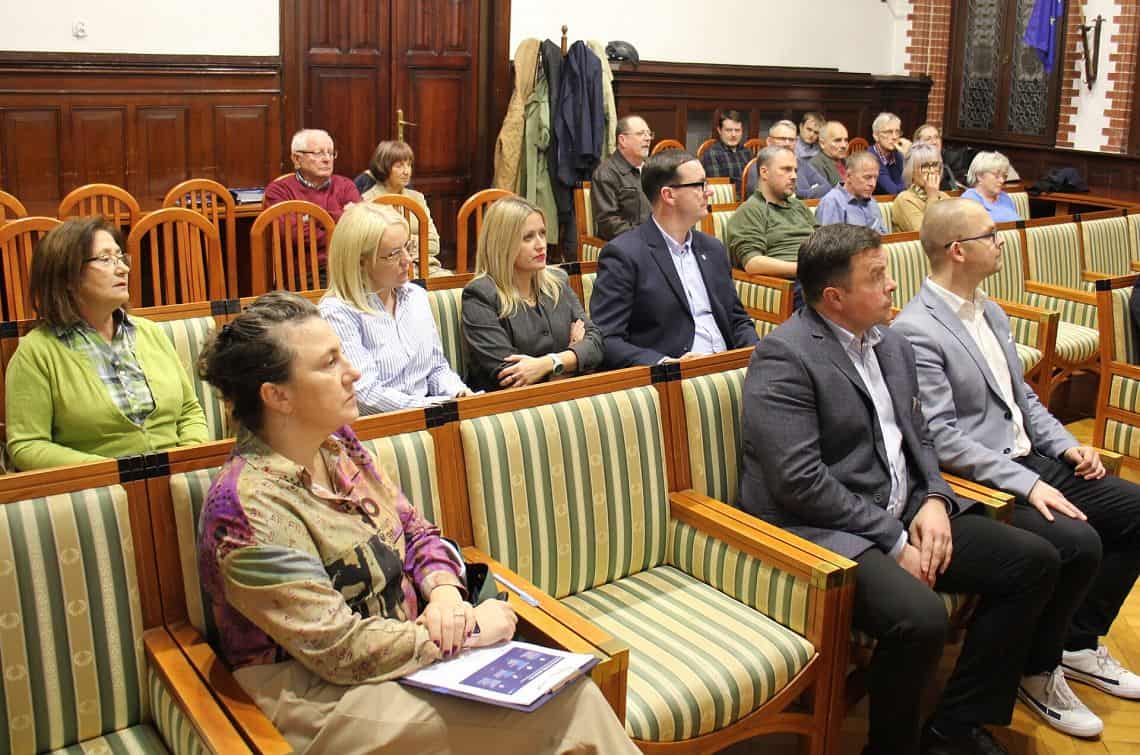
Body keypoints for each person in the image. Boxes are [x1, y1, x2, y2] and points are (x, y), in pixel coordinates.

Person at [195, 291, 638, 754]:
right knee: (570, 706)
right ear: (277, 396)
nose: (353, 372)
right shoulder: (245, 508)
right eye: (329, 363)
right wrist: (467, 633)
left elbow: (416, 531)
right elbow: (337, 648)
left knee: (565, 689)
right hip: (316, 694)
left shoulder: (337, 445)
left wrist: (446, 594)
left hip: (411, 651)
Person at [737, 222, 1061, 755]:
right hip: (825, 530)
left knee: (1034, 561)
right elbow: (799, 481)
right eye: (877, 276)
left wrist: (933, 497)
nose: (892, 285)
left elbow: (921, 437)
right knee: (921, 618)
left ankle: (955, 727)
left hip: (903, 507)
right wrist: (893, 538)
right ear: (835, 297)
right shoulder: (785, 357)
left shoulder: (890, 343)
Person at [893, 198, 1140, 737]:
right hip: (986, 480)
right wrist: (1029, 484)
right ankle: (1036, 670)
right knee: (1077, 542)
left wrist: (1067, 447)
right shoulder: (918, 329)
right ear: (958, 251)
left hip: (1033, 459)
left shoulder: (990, 310)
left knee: (1134, 511)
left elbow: (1023, 399)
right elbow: (944, 438)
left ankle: (1076, 642)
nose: (1001, 241)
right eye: (990, 235)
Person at [5, 218, 208, 471]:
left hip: (179, 479)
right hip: (99, 488)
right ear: (67, 277)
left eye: (121, 257)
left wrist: (186, 462)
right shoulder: (36, 352)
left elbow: (189, 411)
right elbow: (28, 446)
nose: (122, 269)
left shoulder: (150, 332)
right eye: (105, 259)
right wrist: (112, 473)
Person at [591, 150, 759, 368]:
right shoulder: (624, 255)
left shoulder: (713, 248)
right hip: (674, 373)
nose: (709, 192)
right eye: (700, 185)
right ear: (669, 195)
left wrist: (756, 355)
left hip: (728, 369)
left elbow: (738, 320)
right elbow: (607, 339)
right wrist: (667, 365)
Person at [319, 203, 470, 414]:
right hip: (383, 426)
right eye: (394, 254)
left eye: (408, 247)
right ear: (360, 262)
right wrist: (437, 406)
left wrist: (460, 394)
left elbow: (436, 368)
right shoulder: (337, 312)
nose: (407, 260)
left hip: (431, 414)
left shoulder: (416, 296)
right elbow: (366, 395)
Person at [462, 197, 602, 392]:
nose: (541, 244)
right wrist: (573, 358)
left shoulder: (557, 282)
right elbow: (510, 377)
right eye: (528, 237)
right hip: (512, 407)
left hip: (567, 400)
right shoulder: (480, 295)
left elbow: (596, 344)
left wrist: (550, 364)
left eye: (542, 233)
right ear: (502, 244)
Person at [265, 128, 363, 261]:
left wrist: (313, 219)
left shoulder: (346, 186)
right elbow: (292, 235)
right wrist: (340, 219)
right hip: (305, 270)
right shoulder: (279, 191)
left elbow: (360, 227)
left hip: (345, 265)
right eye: (318, 153)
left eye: (331, 153)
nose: (327, 159)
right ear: (297, 159)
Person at [726, 146, 818, 280]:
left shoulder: (799, 206)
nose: (794, 176)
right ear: (764, 172)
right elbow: (752, 263)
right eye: (786, 169)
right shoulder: (750, 210)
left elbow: (823, 241)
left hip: (820, 275)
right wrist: (805, 269)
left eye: (795, 170)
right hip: (790, 282)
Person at [358, 140, 446, 276]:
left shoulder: (417, 198)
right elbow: (370, 249)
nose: (406, 171)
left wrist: (398, 245)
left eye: (409, 165)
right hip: (385, 272)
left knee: (452, 283)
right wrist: (415, 241)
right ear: (383, 168)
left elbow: (434, 245)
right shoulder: (367, 200)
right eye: (399, 166)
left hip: (425, 267)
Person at [590, 115, 653, 240]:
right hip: (629, 243)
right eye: (641, 134)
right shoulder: (605, 174)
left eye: (649, 134)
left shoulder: (653, 168)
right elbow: (609, 224)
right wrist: (647, 236)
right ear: (622, 140)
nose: (648, 138)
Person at [744, 120, 831, 200]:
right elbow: (765, 196)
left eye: (791, 140)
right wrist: (811, 192)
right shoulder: (758, 166)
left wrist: (801, 194)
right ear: (769, 141)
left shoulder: (801, 163)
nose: (787, 143)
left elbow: (827, 187)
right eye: (782, 139)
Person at [814, 151, 887, 233]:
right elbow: (828, 240)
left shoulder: (872, 202)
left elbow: (885, 236)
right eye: (867, 177)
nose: (873, 184)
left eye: (875, 178)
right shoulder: (831, 202)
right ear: (848, 176)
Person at [891, 143, 952, 233]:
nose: (932, 171)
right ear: (911, 171)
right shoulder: (905, 199)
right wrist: (932, 197)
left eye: (935, 165)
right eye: (925, 166)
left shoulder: (944, 196)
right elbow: (927, 234)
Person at [962, 151, 1021, 223]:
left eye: (1004, 176)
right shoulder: (969, 200)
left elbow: (1019, 223)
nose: (1002, 180)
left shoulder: (1005, 197)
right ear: (979, 176)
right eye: (996, 176)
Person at [700, 109, 752, 186]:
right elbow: (719, 187)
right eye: (728, 130)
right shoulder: (712, 154)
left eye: (737, 130)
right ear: (719, 130)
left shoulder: (747, 152)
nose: (733, 134)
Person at [913, 123, 963, 191]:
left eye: (937, 137)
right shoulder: (913, 164)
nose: (934, 142)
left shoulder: (951, 160)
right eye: (928, 139)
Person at [870, 112, 907, 195]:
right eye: (889, 132)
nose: (894, 137)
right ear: (876, 135)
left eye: (897, 132)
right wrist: (908, 159)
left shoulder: (898, 155)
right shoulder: (870, 158)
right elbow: (893, 191)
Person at [808, 120, 849, 190]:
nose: (844, 145)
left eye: (846, 140)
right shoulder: (815, 165)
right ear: (822, 144)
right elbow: (822, 194)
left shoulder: (847, 161)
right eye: (838, 140)